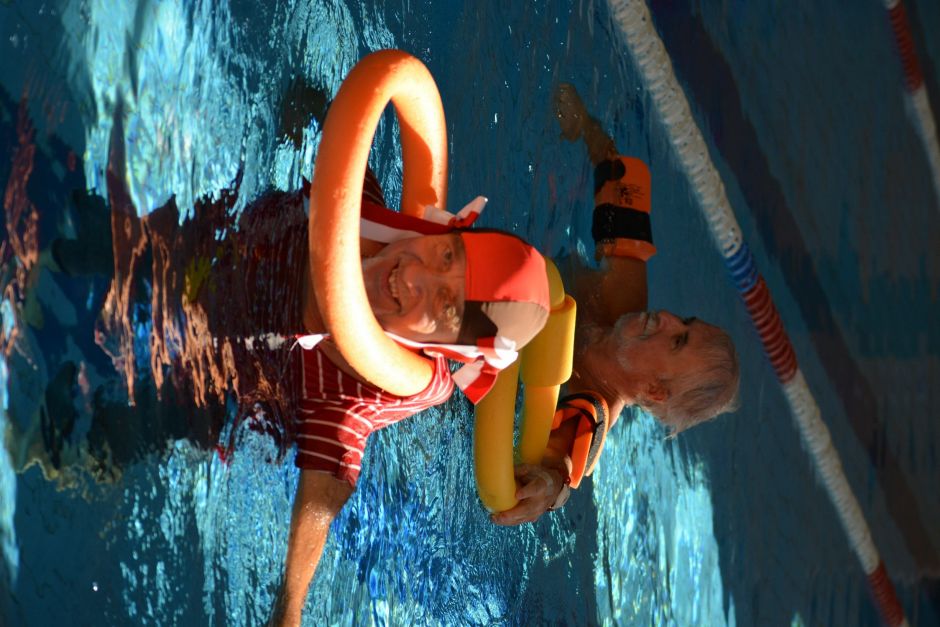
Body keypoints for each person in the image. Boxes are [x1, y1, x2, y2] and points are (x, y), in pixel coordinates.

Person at [491, 84, 740, 526]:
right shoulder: (623, 295)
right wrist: (584, 127)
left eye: (677, 341)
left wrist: (548, 487)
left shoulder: (593, 403)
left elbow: (565, 465)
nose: (666, 318)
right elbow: (618, 175)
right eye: (685, 321)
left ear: (655, 390)